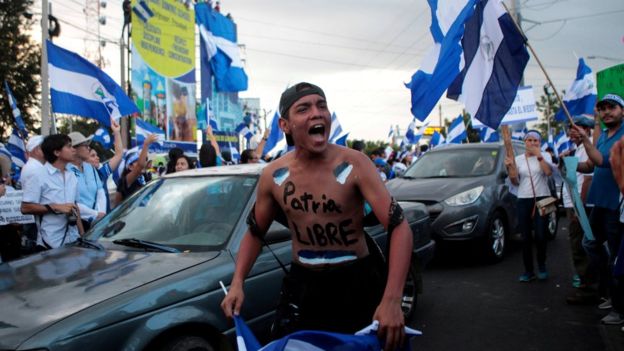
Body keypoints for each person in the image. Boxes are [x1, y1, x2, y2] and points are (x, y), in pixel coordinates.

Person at [220, 82, 413, 351]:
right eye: (304, 108)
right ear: (285, 125)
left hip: (357, 283)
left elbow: (399, 226)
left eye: (321, 105)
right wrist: (237, 283)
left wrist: (392, 298)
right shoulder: (273, 177)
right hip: (304, 288)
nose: (317, 113)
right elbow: (255, 232)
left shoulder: (355, 164)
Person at [569, 94, 624, 325]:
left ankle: (619, 308)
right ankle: (610, 292)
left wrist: (586, 141)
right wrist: (569, 164)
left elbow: (603, 161)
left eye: (612, 107)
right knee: (590, 243)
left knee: (616, 257)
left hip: (614, 206)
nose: (606, 112)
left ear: (622, 110)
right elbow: (590, 165)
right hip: (598, 204)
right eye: (602, 108)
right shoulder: (604, 136)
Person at [504, 130, 553, 282]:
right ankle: (528, 271)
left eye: (535, 140)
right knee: (525, 237)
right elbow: (515, 182)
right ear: (524, 142)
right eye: (529, 140)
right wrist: (510, 168)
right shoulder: (518, 159)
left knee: (540, 235)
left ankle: (542, 265)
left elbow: (548, 173)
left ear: (539, 142)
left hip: (542, 198)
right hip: (523, 199)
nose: (532, 143)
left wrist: (539, 155)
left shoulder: (545, 155)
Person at [21, 134, 84, 249]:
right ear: (57, 152)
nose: (73, 150)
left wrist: (83, 236)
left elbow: (75, 207)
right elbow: (25, 208)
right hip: (49, 244)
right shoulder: (38, 175)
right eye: (69, 147)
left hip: (74, 242)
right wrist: (55, 207)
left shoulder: (72, 176)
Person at [559, 115, 594, 290]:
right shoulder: (576, 149)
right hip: (571, 202)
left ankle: (587, 283)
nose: (571, 132)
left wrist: (579, 208)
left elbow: (588, 179)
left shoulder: (589, 147)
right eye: (570, 129)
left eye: (575, 128)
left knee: (580, 243)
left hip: (580, 204)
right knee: (576, 242)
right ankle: (584, 277)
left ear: (586, 130)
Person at [67, 132, 106, 231]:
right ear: (74, 149)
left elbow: (100, 192)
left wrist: (101, 213)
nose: (88, 148)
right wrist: (96, 214)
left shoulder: (90, 168)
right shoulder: (66, 171)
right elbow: (72, 203)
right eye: (85, 146)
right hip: (78, 224)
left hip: (97, 222)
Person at [19, 135, 46, 252]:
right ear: (37, 150)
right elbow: (29, 205)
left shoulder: (35, 166)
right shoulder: (34, 168)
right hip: (38, 227)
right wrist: (54, 207)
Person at [116, 134, 158, 203]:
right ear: (130, 167)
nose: (141, 161)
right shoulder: (127, 179)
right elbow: (140, 166)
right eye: (137, 161)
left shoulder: (144, 176)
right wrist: (146, 144)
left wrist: (151, 150)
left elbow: (148, 163)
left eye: (141, 159)